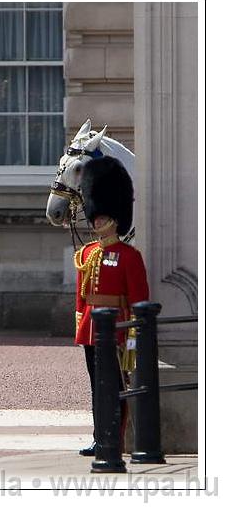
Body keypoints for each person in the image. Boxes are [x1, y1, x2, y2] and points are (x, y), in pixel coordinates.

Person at [74, 156, 149, 456]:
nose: (97, 222)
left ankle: (115, 438)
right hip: (92, 329)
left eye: (102, 218)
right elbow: (81, 297)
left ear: (116, 219)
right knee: (96, 387)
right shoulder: (88, 253)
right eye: (95, 217)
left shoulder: (129, 256)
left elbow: (139, 298)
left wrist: (132, 336)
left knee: (116, 386)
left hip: (117, 330)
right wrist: (81, 327)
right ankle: (99, 436)